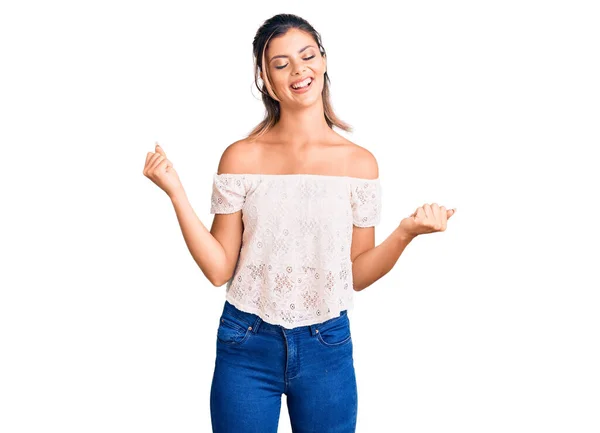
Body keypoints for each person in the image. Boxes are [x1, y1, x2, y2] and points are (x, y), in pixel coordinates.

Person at [143, 13, 456, 433]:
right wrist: (175, 192)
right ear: (264, 78)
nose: (298, 70)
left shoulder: (359, 164)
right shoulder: (241, 157)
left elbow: (358, 274)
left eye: (307, 56)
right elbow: (219, 269)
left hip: (327, 344)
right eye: (281, 63)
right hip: (246, 341)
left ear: (323, 61)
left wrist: (405, 234)